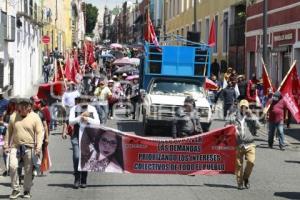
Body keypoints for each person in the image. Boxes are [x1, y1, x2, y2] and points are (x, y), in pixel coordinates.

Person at [3, 98, 44, 199]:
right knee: (12, 166)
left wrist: (38, 147)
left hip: (29, 147)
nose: (22, 107)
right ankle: (15, 189)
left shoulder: (35, 117)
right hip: (15, 146)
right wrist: (6, 145)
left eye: (25, 105)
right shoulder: (13, 116)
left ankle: (26, 190)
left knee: (28, 170)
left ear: (29, 107)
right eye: (21, 105)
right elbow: (9, 132)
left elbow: (39, 133)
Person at [226, 100, 260, 190]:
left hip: (250, 143)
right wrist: (232, 129)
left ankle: (246, 177)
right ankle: (240, 183)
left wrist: (251, 116)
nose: (244, 108)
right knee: (238, 165)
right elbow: (226, 127)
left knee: (251, 162)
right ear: (239, 107)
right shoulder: (233, 116)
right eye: (242, 107)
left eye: (246, 107)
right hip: (238, 144)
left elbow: (258, 126)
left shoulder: (251, 116)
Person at [68, 95, 100, 189]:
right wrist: (80, 117)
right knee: (77, 157)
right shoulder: (74, 109)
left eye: (86, 101)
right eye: (82, 101)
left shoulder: (92, 109)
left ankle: (84, 179)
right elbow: (70, 121)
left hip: (88, 137)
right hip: (76, 136)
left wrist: (88, 119)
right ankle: (77, 178)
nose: (84, 102)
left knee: (85, 157)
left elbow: (97, 122)